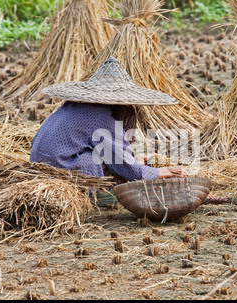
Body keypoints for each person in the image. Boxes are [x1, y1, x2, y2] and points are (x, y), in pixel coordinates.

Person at [30, 57, 188, 204]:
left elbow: (113, 152)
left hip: (38, 165)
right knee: (95, 160)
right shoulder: (101, 119)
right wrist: (167, 171)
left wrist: (134, 159)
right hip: (61, 170)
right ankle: (99, 194)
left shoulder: (72, 105)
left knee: (106, 156)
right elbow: (128, 168)